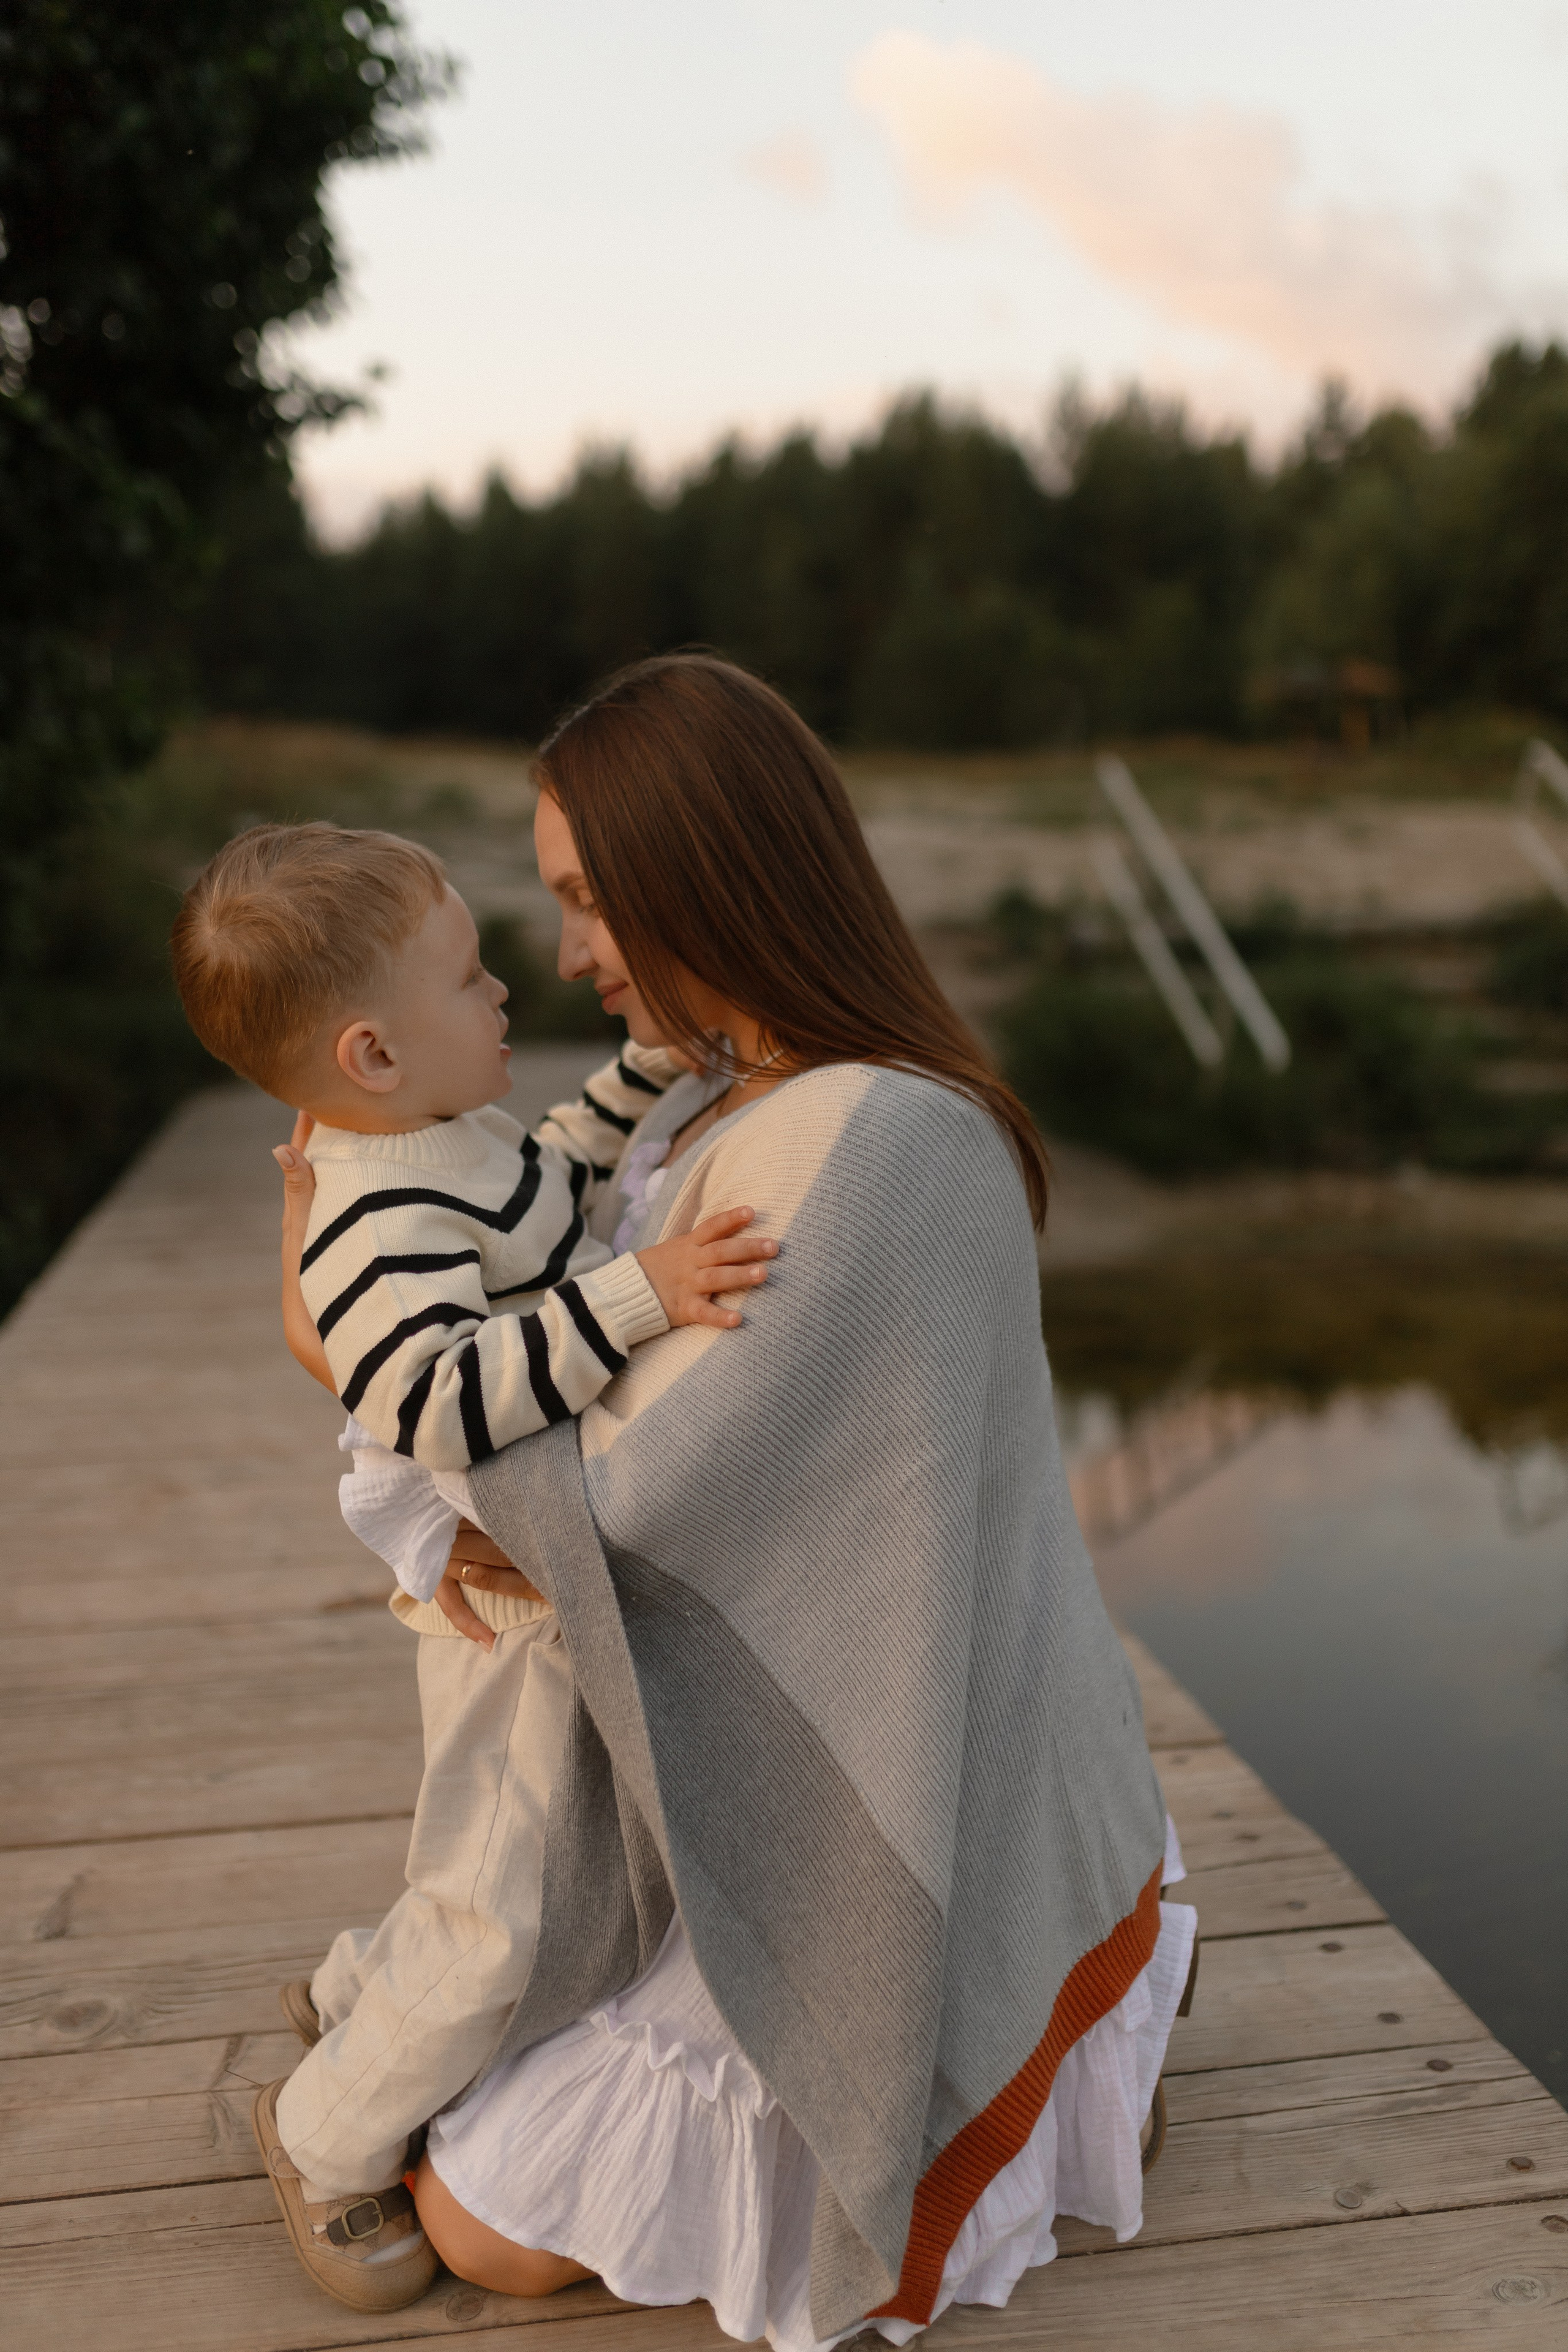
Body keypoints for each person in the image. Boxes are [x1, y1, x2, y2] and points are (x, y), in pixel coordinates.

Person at [273, 654, 1196, 2349]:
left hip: (921, 1784)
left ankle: (1048, 2001)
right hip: (830, 1724)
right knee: (496, 2094)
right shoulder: (723, 1087)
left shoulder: (868, 1148)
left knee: (486, 2231)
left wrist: (346, 1361)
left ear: (699, 873)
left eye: (580, 902)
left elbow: (620, 1509)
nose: (562, 958)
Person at [170, 820, 778, 2312]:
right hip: (499, 1605)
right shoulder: (374, 1213)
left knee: (500, 1858)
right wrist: (643, 1296)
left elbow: (546, 1189)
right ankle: (322, 2138)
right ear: (374, 1056)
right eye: (468, 975)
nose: (507, 988)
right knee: (506, 1906)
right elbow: (433, 1391)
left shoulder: (445, 1138)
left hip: (534, 1580)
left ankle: (348, 1992)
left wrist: (651, 1076)